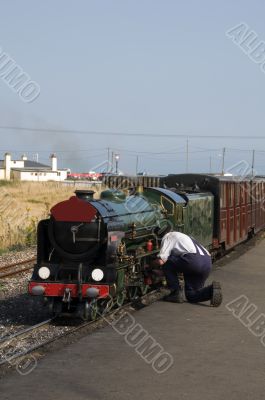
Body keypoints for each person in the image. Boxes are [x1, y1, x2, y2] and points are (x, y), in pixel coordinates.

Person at [152, 231, 222, 306]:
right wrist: (164, 272)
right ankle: (211, 291)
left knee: (167, 262)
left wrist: (150, 265)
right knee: (191, 295)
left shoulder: (168, 236)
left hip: (193, 261)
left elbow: (161, 261)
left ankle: (175, 293)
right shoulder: (186, 237)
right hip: (207, 263)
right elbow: (176, 266)